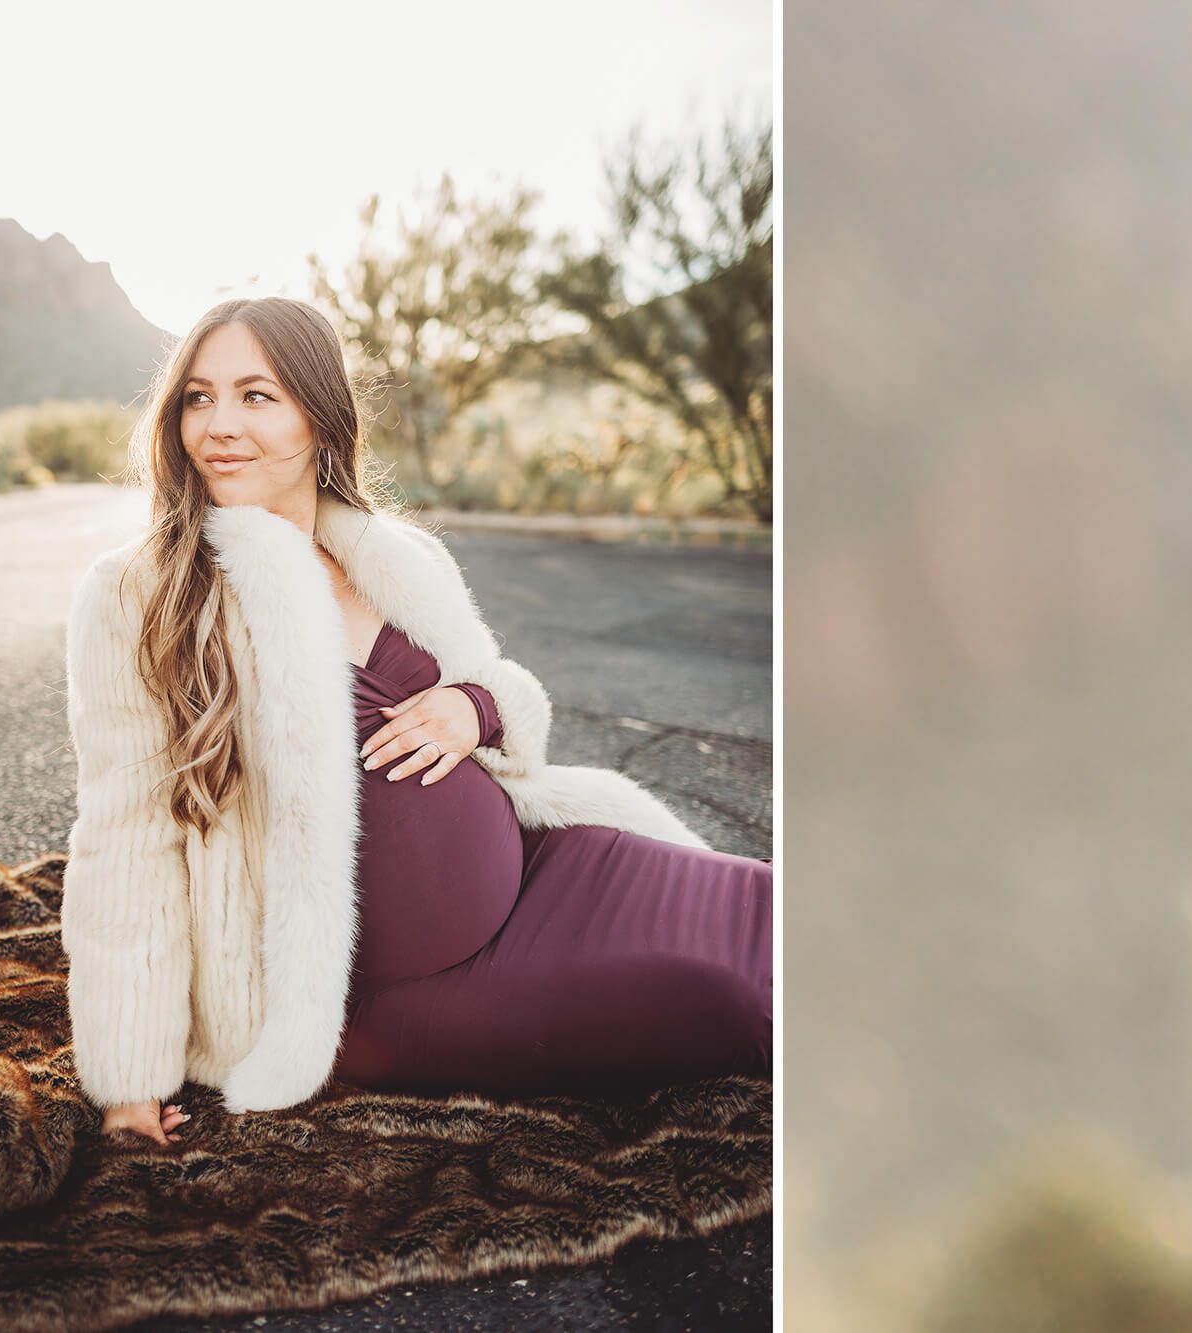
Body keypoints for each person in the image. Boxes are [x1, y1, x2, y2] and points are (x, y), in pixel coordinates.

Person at [62, 297, 772, 1147]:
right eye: (197, 397)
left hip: (554, 867)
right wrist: (129, 1080)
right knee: (729, 994)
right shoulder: (141, 593)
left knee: (774, 912)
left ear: (320, 419)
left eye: (257, 395)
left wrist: (477, 708)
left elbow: (506, 705)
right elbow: (125, 833)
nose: (219, 424)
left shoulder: (394, 554)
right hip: (383, 991)